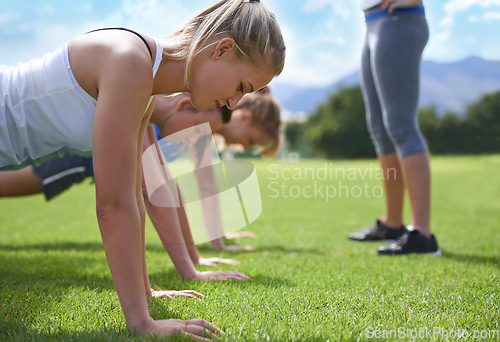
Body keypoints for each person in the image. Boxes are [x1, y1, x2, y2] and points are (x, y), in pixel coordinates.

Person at [0, 0, 286, 338]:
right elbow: (114, 206)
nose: (234, 103)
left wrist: (145, 293)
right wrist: (142, 323)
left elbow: (138, 192)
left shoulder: (146, 81)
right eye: (241, 87)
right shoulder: (131, 62)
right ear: (222, 50)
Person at [348, 0, 440, 256]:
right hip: (374, 20)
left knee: (401, 125)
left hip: (399, 17)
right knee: (379, 127)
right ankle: (393, 223)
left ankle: (422, 234)